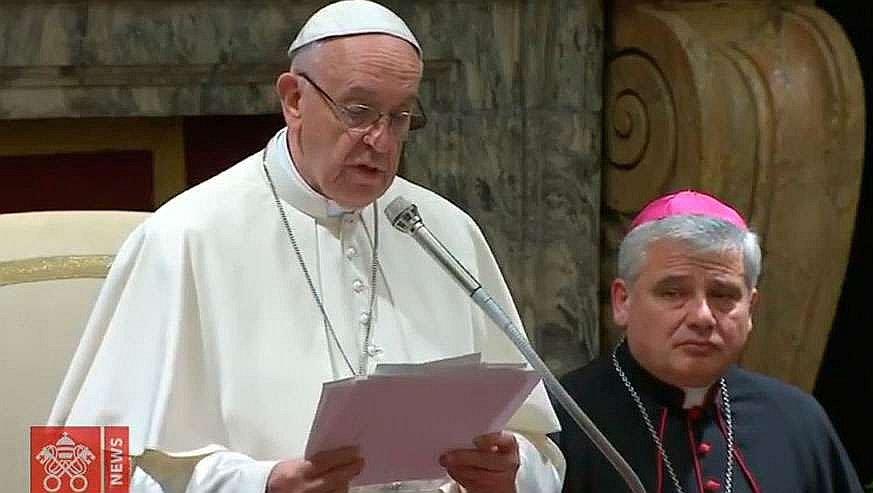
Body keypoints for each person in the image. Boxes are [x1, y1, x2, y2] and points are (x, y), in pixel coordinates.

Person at [48, 1, 564, 492]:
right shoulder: (186, 237)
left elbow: (541, 451)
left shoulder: (442, 231)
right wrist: (259, 485)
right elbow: (79, 471)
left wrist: (509, 475)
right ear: (295, 99)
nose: (381, 142)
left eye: (402, 117)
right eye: (359, 111)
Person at [556, 190, 864, 492]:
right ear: (623, 301)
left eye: (723, 295)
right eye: (673, 292)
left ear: (750, 309)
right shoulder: (560, 419)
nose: (702, 317)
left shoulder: (796, 420)